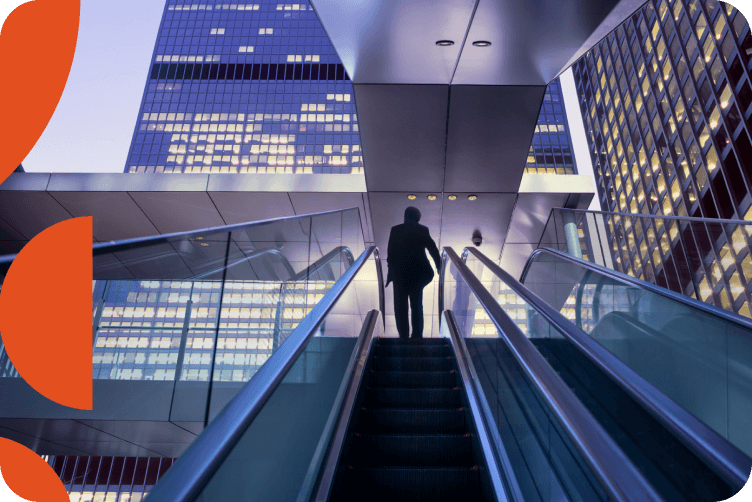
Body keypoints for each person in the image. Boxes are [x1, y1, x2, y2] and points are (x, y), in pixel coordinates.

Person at [386, 206, 442, 339]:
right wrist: (440, 267)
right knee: (416, 306)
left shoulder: (396, 230)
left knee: (400, 307)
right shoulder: (422, 229)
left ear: (405, 216)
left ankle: (403, 335)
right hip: (418, 275)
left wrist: (391, 274)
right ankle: (417, 335)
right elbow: (432, 248)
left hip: (400, 275)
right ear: (417, 219)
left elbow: (390, 254)